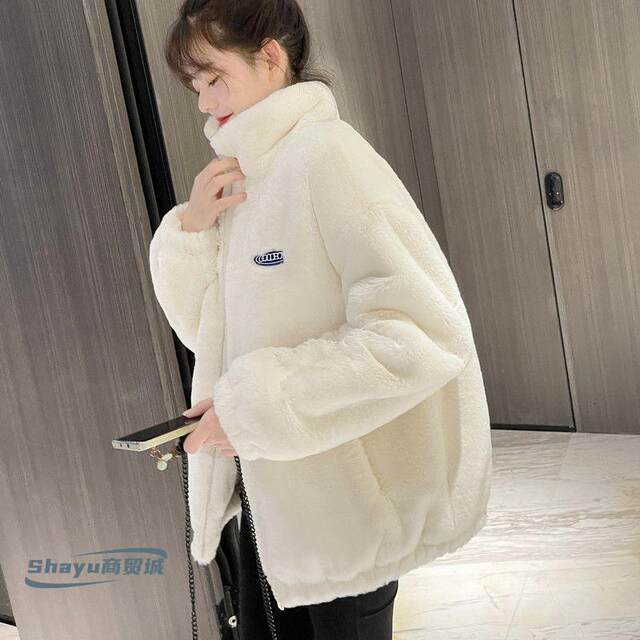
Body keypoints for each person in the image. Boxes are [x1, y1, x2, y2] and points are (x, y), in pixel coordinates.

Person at [150, 0, 493, 638]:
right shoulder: (249, 177)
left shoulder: (328, 159)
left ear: (270, 57)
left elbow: (421, 333)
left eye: (215, 78)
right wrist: (191, 231)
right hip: (273, 504)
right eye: (195, 86)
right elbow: (212, 336)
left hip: (345, 516)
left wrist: (257, 407)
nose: (204, 103)